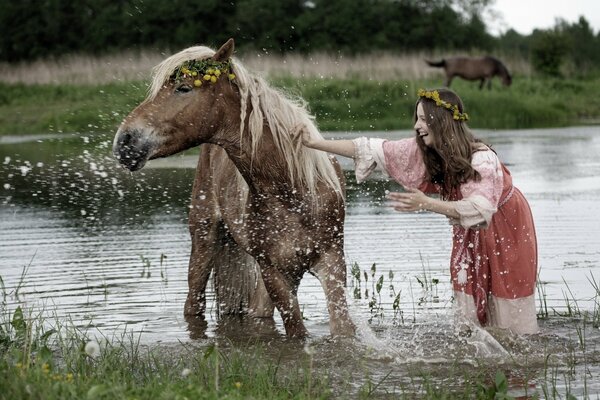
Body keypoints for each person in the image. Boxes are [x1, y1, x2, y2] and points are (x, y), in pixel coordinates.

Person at [297, 88, 538, 335]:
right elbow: (370, 148)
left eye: (424, 119)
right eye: (417, 118)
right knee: (467, 291)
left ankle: (515, 348)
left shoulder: (482, 159)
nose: (417, 126)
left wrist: (427, 203)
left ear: (441, 122)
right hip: (467, 225)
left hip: (506, 223)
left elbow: (480, 211)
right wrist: (315, 143)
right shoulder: (425, 150)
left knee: (506, 295)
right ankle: (475, 343)